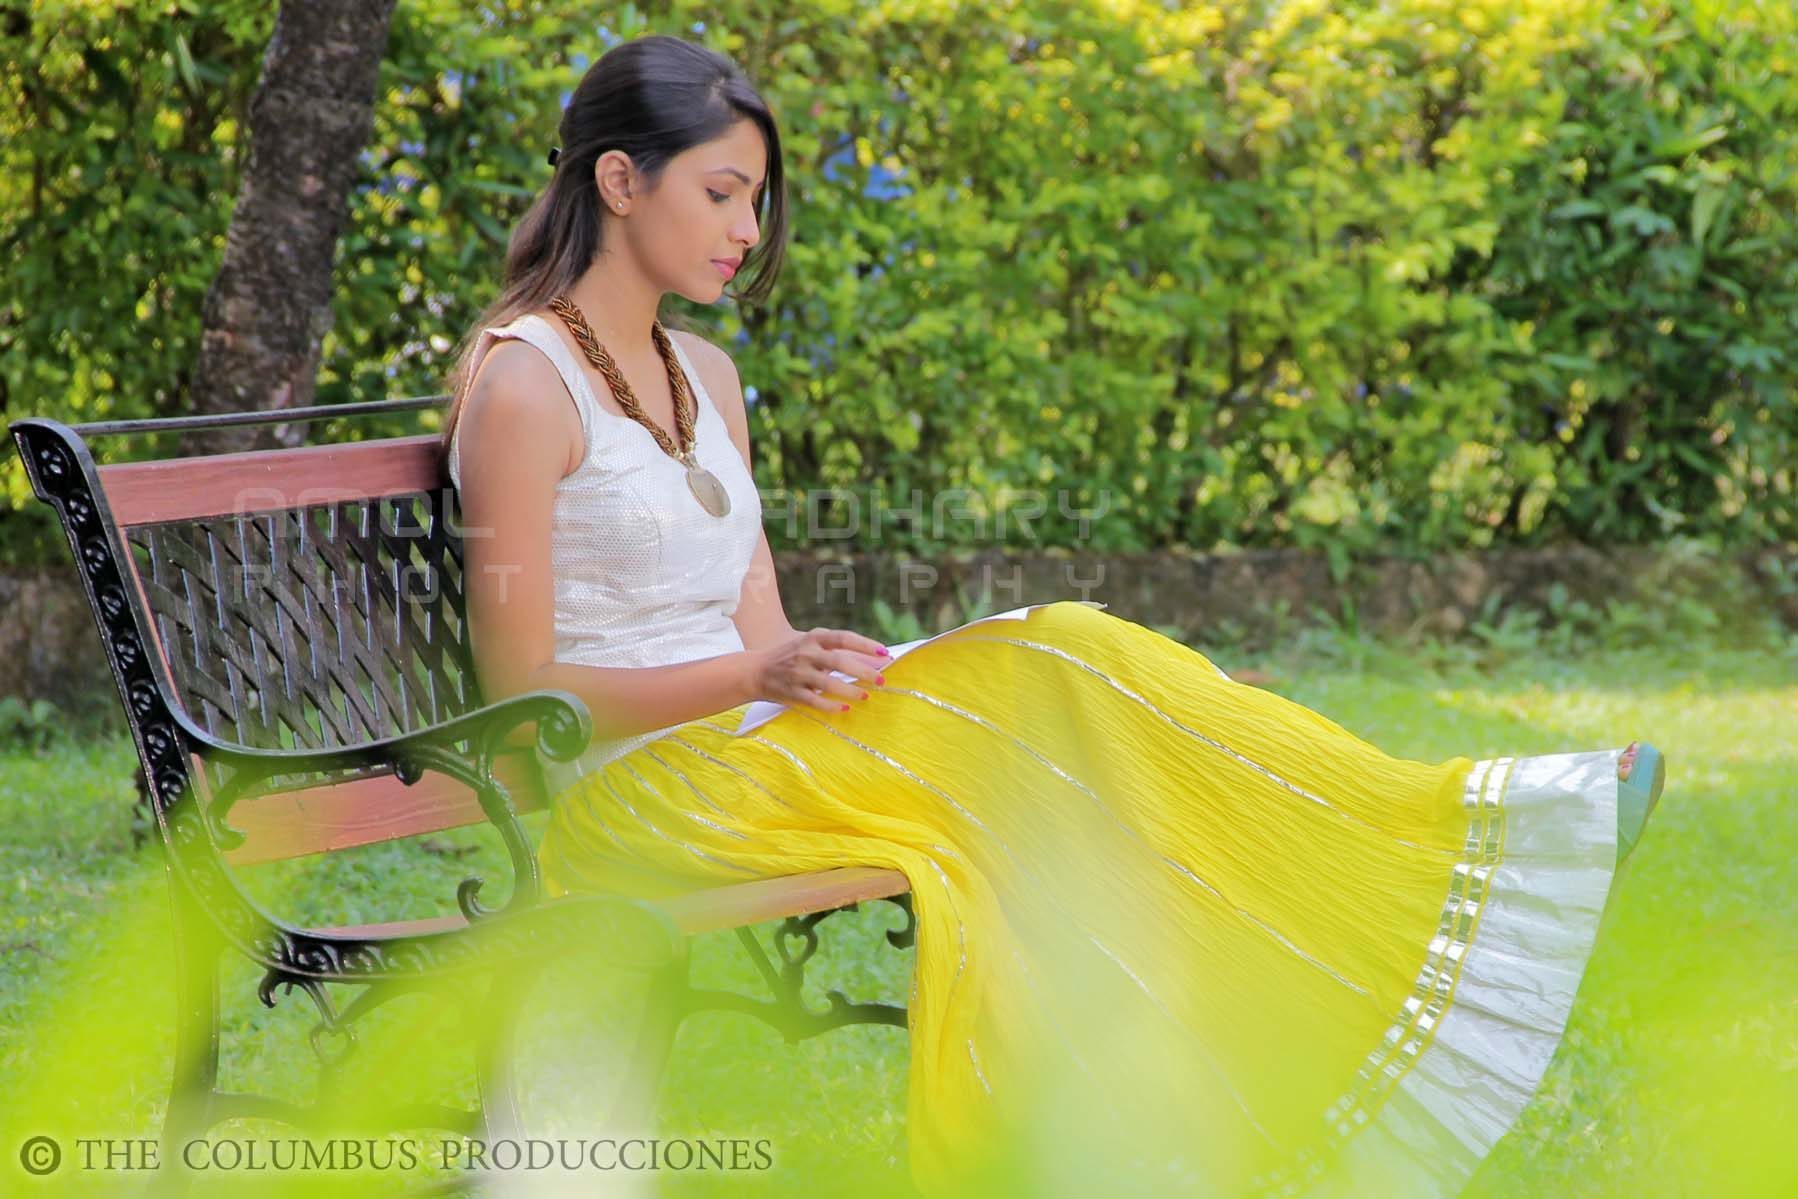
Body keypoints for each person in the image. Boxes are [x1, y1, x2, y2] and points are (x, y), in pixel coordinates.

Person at [440, 34, 1665, 1199]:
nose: (747, 231)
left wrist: (811, 670)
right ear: (620, 180)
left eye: (754, 200)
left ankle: (1401, 889)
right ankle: (1474, 837)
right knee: (1060, 693)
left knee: (1073, 674)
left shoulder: (704, 374)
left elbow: (763, 627)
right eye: (721, 194)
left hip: (755, 751)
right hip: (633, 792)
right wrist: (760, 674)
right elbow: (525, 697)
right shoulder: (525, 385)